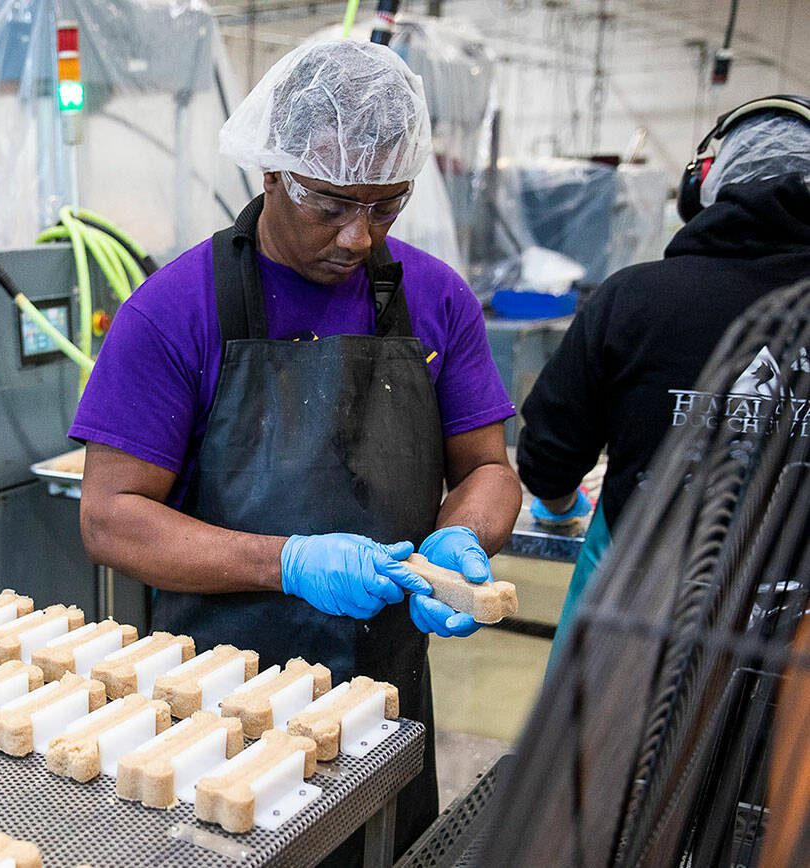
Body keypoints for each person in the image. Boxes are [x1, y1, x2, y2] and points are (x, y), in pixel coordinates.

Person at [69, 40, 520, 858]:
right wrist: (287, 561)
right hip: (217, 700)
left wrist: (462, 537)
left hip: (386, 693)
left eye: (385, 206)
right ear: (270, 170)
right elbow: (109, 518)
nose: (357, 236)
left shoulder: (436, 298)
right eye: (330, 204)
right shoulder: (175, 311)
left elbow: (488, 469)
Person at [518, 96, 810, 657]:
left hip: (643, 635)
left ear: (704, 185)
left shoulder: (632, 299)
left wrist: (562, 507)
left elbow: (549, 458)